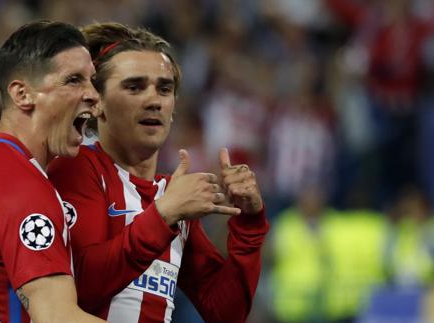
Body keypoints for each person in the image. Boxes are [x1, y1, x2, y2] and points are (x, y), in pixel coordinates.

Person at [48, 22, 269, 323]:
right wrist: (163, 215)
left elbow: (225, 312)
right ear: (97, 104)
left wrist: (249, 225)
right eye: (134, 87)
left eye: (164, 89)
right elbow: (79, 290)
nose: (154, 100)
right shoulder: (77, 168)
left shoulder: (170, 193)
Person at [0, 21, 104, 323]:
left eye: (92, 80)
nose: (93, 94)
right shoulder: (21, 186)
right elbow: (56, 317)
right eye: (74, 80)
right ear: (22, 94)